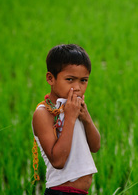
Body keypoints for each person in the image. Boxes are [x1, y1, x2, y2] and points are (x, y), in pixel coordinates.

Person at [32, 44, 101, 195]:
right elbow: (58, 161)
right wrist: (70, 117)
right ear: (51, 78)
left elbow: (95, 146)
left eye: (83, 80)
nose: (77, 87)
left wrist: (86, 118)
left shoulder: (74, 107)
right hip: (61, 191)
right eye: (70, 79)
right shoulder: (43, 113)